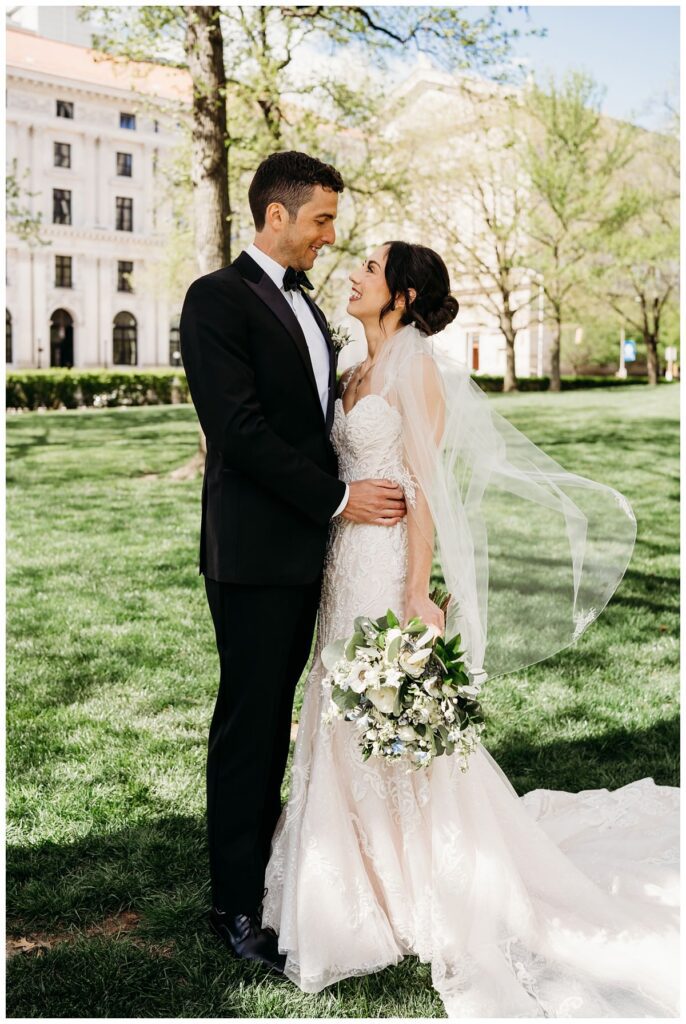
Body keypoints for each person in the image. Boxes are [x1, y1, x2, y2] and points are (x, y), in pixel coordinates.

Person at [262, 241, 680, 1016]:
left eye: (370, 269)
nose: (353, 273)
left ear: (404, 294)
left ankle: (412, 881)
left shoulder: (415, 371)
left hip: (387, 567)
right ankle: (347, 875)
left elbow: (423, 490)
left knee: (388, 721)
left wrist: (418, 593)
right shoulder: (352, 369)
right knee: (338, 710)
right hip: (340, 563)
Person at [179, 152, 407, 973]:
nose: (330, 236)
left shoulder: (309, 310)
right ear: (277, 216)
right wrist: (341, 503)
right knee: (251, 726)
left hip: (315, 556)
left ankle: (288, 875)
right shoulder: (214, 300)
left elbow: (317, 425)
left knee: (297, 720)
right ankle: (236, 905)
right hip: (252, 557)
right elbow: (238, 433)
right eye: (321, 219)